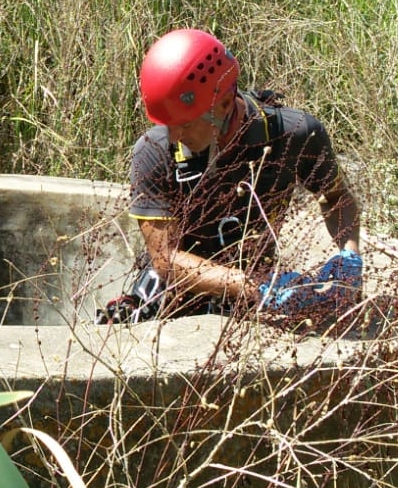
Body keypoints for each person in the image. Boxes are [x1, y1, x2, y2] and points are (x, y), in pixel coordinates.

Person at [101, 28, 362, 324]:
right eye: (167, 124)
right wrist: (252, 286)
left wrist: (349, 256)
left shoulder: (293, 135)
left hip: (255, 279)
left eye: (184, 124)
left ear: (224, 104)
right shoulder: (154, 150)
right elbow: (166, 259)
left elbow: (336, 197)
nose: (173, 136)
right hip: (172, 291)